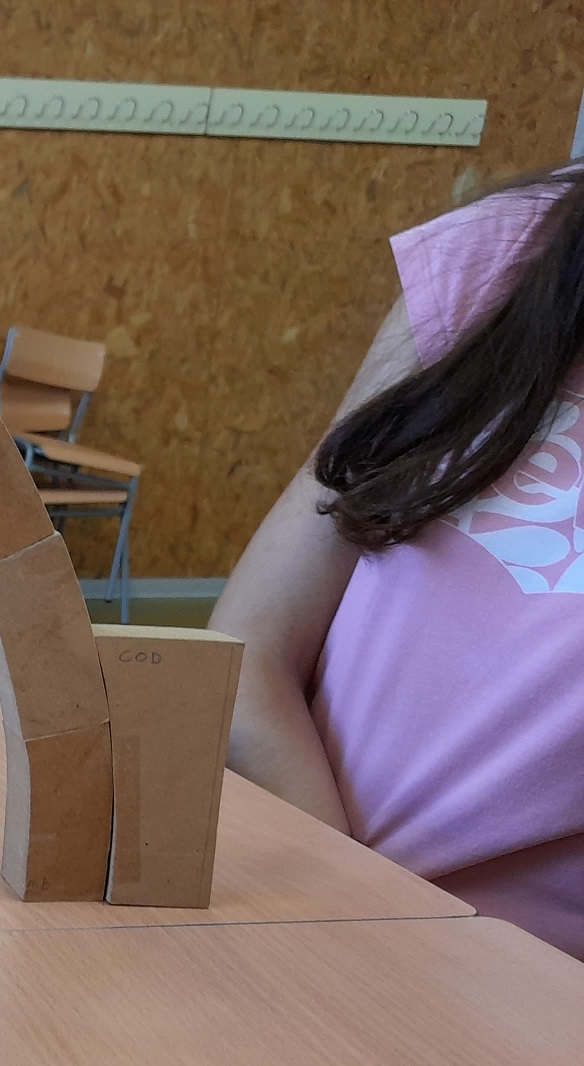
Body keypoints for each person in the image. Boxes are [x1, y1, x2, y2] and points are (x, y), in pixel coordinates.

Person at [211, 165, 584, 958]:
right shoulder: (512, 249)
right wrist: (345, 925)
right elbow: (247, 657)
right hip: (295, 915)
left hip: (525, 998)